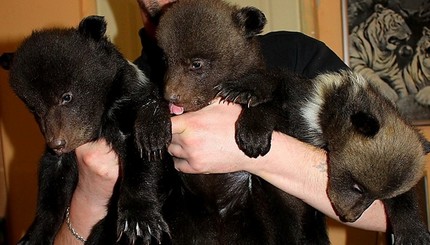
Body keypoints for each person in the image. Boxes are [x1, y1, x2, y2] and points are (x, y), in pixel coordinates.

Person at [54, 0, 388, 244]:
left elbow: (393, 204)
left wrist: (260, 152)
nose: (173, 88)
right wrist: (90, 196)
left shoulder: (295, 56)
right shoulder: (113, 84)